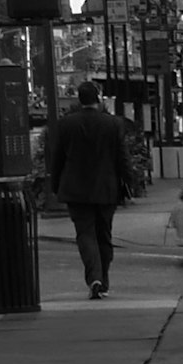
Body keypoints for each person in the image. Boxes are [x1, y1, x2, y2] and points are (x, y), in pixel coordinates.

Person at [41, 80, 135, 301]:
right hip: (106, 188)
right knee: (104, 234)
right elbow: (123, 157)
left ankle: (94, 277)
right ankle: (103, 280)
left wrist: (56, 185)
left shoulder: (66, 125)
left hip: (76, 188)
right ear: (98, 98)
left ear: (79, 100)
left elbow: (58, 159)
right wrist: (128, 183)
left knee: (85, 234)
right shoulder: (113, 124)